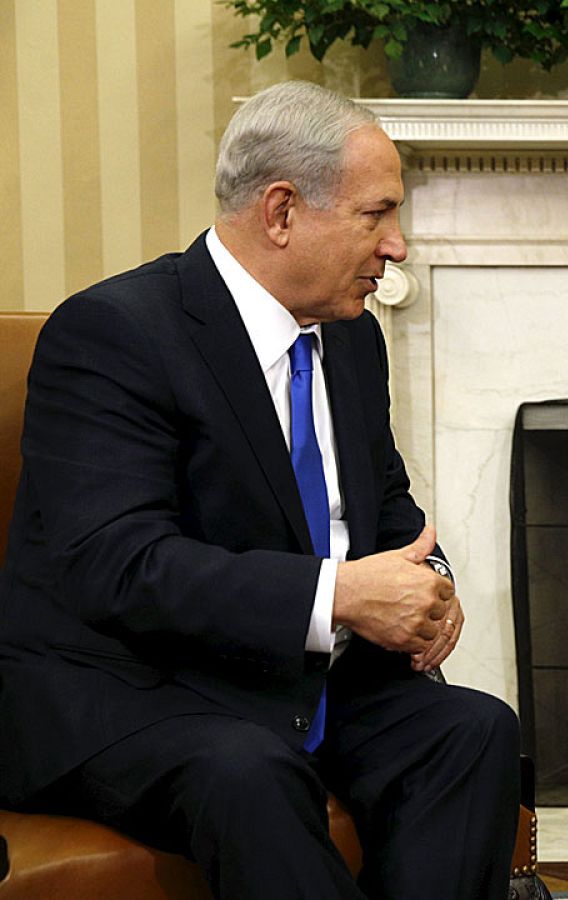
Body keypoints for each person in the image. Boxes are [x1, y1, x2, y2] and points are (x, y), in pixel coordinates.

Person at [0, 81, 519, 899]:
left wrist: (433, 587)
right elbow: (120, 563)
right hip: (137, 688)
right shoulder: (114, 334)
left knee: (473, 730)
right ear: (282, 212)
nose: (399, 247)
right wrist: (340, 595)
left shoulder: (350, 343)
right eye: (376, 214)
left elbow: (387, 514)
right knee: (249, 769)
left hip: (291, 682)